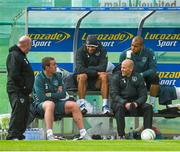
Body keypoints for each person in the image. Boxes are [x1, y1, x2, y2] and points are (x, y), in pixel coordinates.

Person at [33, 57, 91, 140]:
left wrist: (50, 94)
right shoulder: (39, 78)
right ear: (47, 67)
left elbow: (63, 94)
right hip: (41, 106)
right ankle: (50, 135)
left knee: (74, 105)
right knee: (50, 104)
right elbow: (41, 98)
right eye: (54, 64)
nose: (56, 66)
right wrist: (56, 94)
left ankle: (83, 133)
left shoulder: (58, 76)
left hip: (56, 103)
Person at [110, 59, 153, 139]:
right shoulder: (115, 77)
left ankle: (148, 133)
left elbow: (143, 95)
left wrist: (136, 103)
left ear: (131, 69)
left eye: (124, 68)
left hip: (135, 104)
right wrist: (125, 103)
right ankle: (121, 135)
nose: (122, 69)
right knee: (119, 107)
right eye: (121, 67)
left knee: (148, 107)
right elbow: (114, 94)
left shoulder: (138, 77)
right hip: (120, 103)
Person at [115, 36, 159, 111]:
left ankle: (151, 104)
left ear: (141, 46)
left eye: (135, 46)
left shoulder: (149, 52)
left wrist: (141, 75)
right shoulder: (124, 54)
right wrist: (127, 59)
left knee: (155, 77)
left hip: (144, 77)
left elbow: (153, 69)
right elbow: (120, 70)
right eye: (132, 45)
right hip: (130, 78)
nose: (132, 47)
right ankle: (125, 104)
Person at [6, 35, 34, 140]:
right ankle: (12, 135)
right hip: (17, 90)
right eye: (30, 45)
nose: (30, 48)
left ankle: (19, 134)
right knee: (18, 111)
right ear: (25, 44)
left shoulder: (21, 55)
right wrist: (24, 86)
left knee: (24, 112)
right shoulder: (14, 55)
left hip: (23, 91)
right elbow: (14, 74)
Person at [74, 35, 110, 114]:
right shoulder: (80, 51)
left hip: (97, 81)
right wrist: (95, 72)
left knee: (104, 75)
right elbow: (80, 69)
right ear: (86, 45)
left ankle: (105, 106)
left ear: (97, 46)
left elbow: (103, 68)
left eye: (93, 47)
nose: (90, 48)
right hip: (84, 81)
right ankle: (82, 105)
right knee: (82, 76)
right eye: (89, 46)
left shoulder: (103, 51)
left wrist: (88, 69)